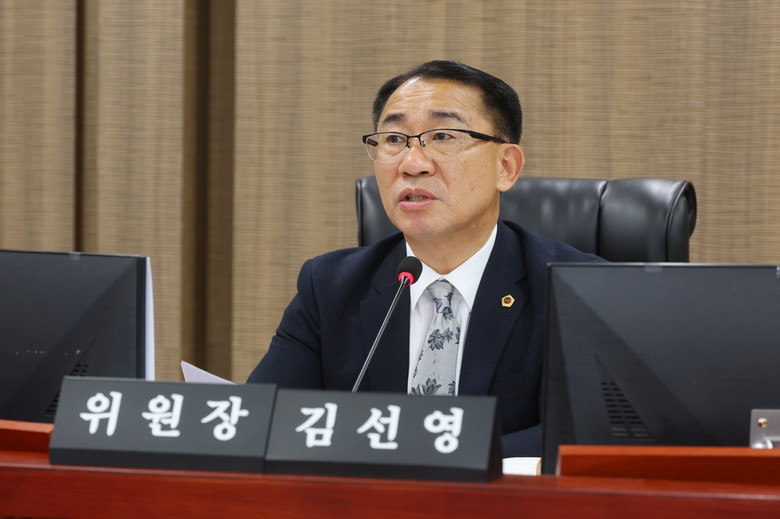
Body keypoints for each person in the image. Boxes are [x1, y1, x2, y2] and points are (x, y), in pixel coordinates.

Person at [247, 60, 602, 457]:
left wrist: (440, 462)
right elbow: (261, 424)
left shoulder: (579, 292)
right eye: (394, 139)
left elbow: (593, 433)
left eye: (443, 136)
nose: (412, 164)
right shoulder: (329, 287)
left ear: (505, 167)